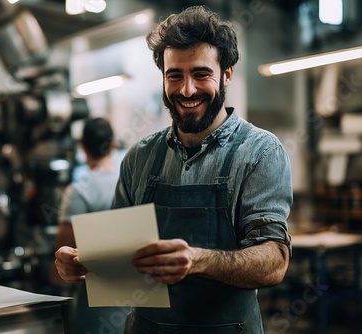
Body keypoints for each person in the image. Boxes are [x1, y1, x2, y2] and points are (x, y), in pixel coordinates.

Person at [54, 5, 293, 334]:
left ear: (227, 74)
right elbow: (120, 258)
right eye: (175, 75)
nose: (187, 90)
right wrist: (84, 262)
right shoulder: (140, 157)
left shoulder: (260, 152)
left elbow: (274, 262)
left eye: (201, 74)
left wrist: (197, 260)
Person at [49, 117, 127, 334]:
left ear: (83, 148)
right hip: (136, 301)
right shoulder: (129, 181)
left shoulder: (79, 191)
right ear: (113, 144)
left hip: (95, 307)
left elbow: (63, 254)